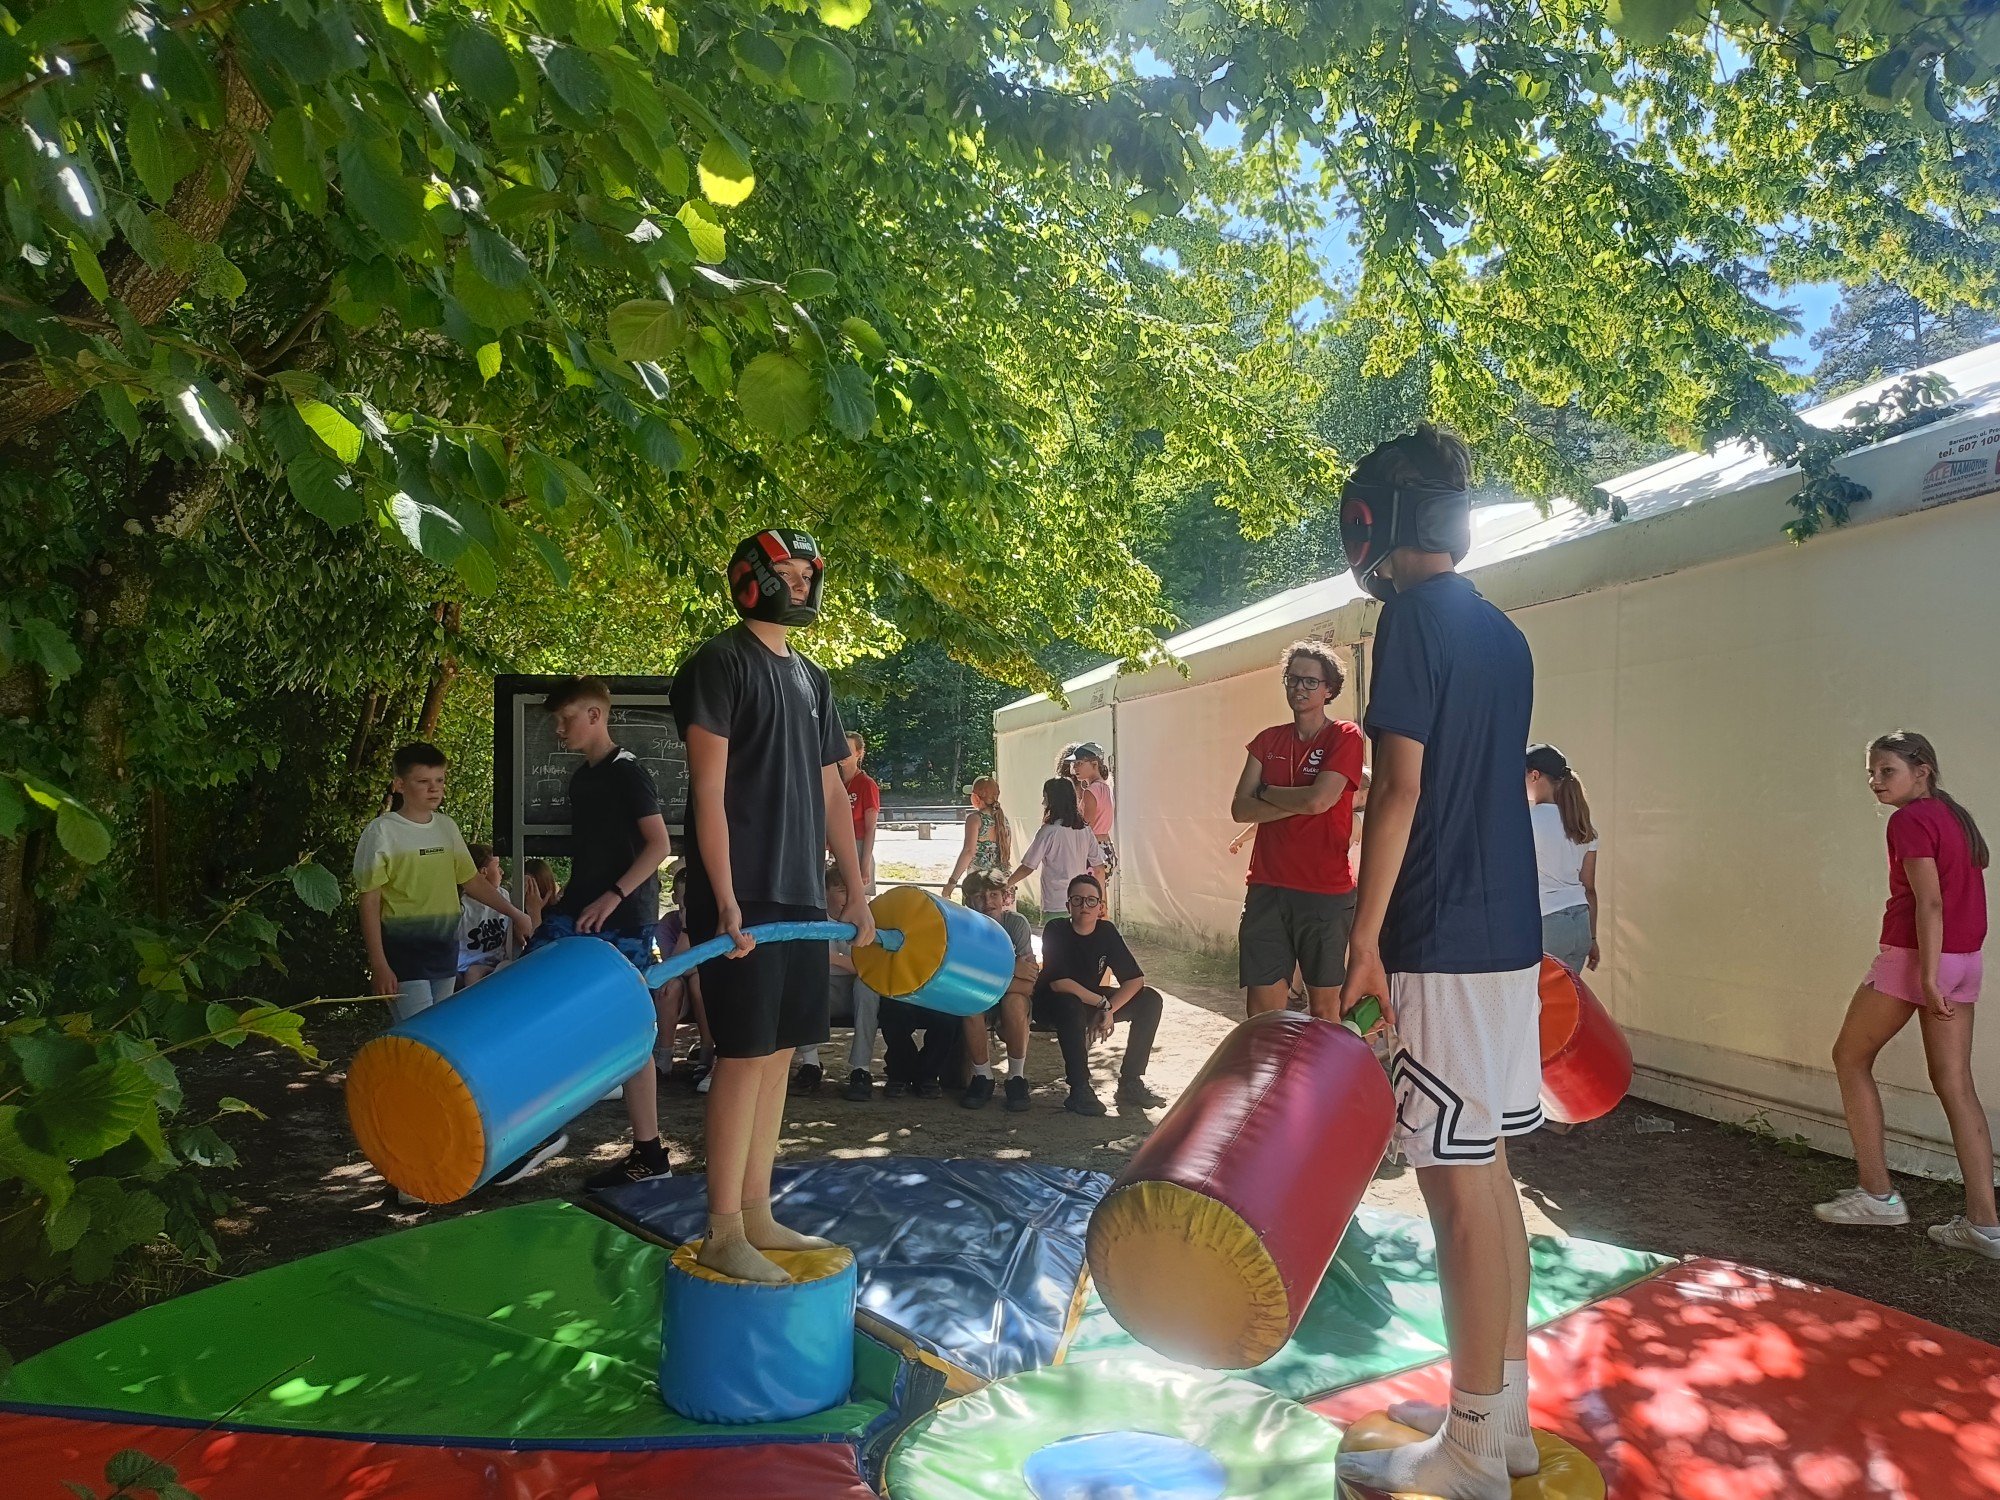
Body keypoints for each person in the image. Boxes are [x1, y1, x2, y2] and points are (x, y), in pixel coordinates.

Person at [1334, 426, 1544, 1500]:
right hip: (1505, 938)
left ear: (1378, 521)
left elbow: (1400, 790)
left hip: (1439, 937)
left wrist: (1363, 940)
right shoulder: (1503, 632)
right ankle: (1501, 1423)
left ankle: (1469, 1453)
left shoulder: (1409, 621)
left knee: (1455, 1194)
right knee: (1489, 1177)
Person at [674, 527, 874, 1285]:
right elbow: (708, 789)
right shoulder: (718, 663)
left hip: (800, 896)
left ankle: (755, 1212)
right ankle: (722, 1230)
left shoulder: (814, 679)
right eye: (785, 571)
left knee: (783, 1051)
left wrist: (857, 893)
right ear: (751, 577)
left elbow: (832, 792)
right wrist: (723, 898)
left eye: (805, 572)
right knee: (743, 1053)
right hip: (744, 894)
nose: (799, 583)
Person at [1816, 731, 1996, 1259]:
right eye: (1871, 774)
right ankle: (1985, 1225)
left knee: (1849, 1057)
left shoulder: (1910, 820)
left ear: (1923, 770)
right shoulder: (1954, 816)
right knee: (1956, 1085)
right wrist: (1943, 973)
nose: (1876, 782)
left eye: (1886, 771)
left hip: (1917, 960)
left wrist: (1929, 976)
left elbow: (1930, 903)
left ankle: (1878, 1195)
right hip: (1965, 960)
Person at [531, 677, 675, 1191]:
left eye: (566, 718)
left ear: (595, 716)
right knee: (531, 987)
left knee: (631, 1032)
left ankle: (649, 1153)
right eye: (556, 720)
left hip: (625, 918)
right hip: (578, 912)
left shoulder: (628, 773)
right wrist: (565, 901)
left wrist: (612, 896)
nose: (559, 728)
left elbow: (659, 846)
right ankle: (537, 1126)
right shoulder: (581, 779)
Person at [1229, 641, 1366, 1019]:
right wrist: (1303, 801)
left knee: (1324, 1011)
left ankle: (1325, 1064)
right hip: (1267, 887)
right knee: (1263, 1015)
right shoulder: (1267, 740)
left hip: (1324, 890)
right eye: (1292, 679)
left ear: (1329, 689)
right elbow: (1240, 809)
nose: (1299, 688)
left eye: (1310, 681)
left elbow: (1319, 801)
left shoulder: (1345, 735)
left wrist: (1266, 792)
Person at [354, 743, 532, 1023]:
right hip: (404, 953)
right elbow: (369, 899)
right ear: (400, 785)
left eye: (439, 780)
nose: (434, 789)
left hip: (446, 952)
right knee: (421, 1034)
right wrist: (378, 963)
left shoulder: (447, 827)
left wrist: (516, 914)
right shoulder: (382, 831)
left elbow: (471, 880)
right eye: (423, 781)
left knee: (441, 1029)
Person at [1030, 873, 1164, 1116]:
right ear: (1068, 905)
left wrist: (1109, 1009)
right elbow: (1060, 983)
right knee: (1070, 1005)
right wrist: (1102, 1004)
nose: (1084, 906)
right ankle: (1079, 1088)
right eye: (1078, 900)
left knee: (1150, 1000)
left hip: (1091, 1001)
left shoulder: (1106, 931)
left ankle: (1130, 1081)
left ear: (1100, 907)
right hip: (1052, 1003)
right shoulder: (1056, 929)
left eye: (1091, 900)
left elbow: (1135, 979)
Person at [793, 863, 880, 1100]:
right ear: (825, 893)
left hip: (855, 992)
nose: (849, 898)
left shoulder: (866, 919)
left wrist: (831, 958)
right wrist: (844, 962)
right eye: (842, 891)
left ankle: (861, 1069)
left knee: (867, 987)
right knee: (801, 983)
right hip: (824, 990)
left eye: (854, 892)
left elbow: (868, 969)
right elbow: (805, 963)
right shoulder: (813, 919)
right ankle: (810, 1063)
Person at [959, 868, 1038, 1111]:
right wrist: (1012, 968)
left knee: (1014, 1002)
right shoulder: (963, 927)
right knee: (970, 1004)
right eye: (979, 897)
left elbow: (1028, 983)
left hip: (1009, 997)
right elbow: (964, 980)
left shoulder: (1016, 924)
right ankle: (983, 1076)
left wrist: (983, 979)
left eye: (993, 894)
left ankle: (1016, 1078)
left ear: (1005, 897)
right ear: (968, 902)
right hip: (981, 996)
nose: (987, 902)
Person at [1526, 744, 1599, 974]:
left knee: (1536, 997)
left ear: (1534, 775)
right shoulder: (1582, 824)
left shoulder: (1526, 822)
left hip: (1547, 925)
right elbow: (1589, 889)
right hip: (1580, 926)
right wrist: (1593, 939)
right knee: (1566, 996)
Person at [1004, 778, 1104, 916]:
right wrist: (1099, 901)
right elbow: (1099, 868)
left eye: (1045, 798)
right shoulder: (1085, 830)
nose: (1043, 803)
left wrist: (1006, 884)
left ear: (1053, 801)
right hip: (1080, 902)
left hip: (1055, 903)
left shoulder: (1048, 831)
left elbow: (1028, 866)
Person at [652, 865, 712, 1084]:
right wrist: (686, 929)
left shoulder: (713, 920)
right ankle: (665, 1057)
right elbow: (673, 967)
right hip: (681, 990)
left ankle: (707, 1052)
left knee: (699, 982)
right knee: (669, 988)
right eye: (685, 897)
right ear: (675, 897)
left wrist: (691, 969)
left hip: (709, 988)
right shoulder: (668, 924)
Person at [455, 842, 515, 988]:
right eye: (497, 866)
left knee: (506, 966)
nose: (502, 872)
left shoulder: (503, 896)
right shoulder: (462, 905)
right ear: (483, 872)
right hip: (466, 967)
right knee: (474, 973)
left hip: (497, 963)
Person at [942, 777, 1012, 901]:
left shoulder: (974, 819)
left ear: (976, 798)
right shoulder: (1003, 820)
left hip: (980, 888)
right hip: (1001, 886)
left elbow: (969, 851)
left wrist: (951, 882)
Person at [841, 732, 881, 894]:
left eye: (847, 749)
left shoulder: (867, 784)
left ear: (858, 753)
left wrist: (864, 866)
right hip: (835, 849)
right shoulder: (834, 782)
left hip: (858, 848)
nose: (842, 753)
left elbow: (870, 828)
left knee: (859, 899)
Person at [1070, 743, 1117, 883]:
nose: (1075, 768)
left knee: (1087, 893)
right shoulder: (1106, 787)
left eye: (1079, 763)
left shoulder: (1090, 792)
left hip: (1093, 851)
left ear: (1094, 764)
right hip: (1107, 847)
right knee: (1100, 893)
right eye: (1074, 764)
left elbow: (1086, 828)